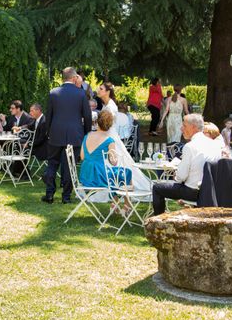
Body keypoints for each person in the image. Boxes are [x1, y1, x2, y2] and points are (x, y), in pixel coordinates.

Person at [152, 114, 222, 213]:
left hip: (193, 191)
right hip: (211, 190)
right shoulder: (215, 145)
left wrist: (176, 175)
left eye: (184, 126)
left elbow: (181, 177)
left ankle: (158, 223)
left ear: (193, 127)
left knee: (157, 188)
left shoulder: (190, 146)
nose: (181, 128)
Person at [43, 67, 92, 204]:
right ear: (74, 77)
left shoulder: (54, 92)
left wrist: (48, 132)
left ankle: (49, 194)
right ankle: (66, 196)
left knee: (52, 163)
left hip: (55, 133)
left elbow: (49, 115)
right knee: (69, 165)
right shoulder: (80, 93)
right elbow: (87, 116)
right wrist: (86, 132)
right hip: (74, 133)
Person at [97, 82, 151, 191]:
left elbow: (107, 124)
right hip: (106, 135)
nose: (98, 90)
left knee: (115, 159)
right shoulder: (106, 105)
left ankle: (120, 183)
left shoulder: (111, 106)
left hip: (109, 136)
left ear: (107, 92)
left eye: (101, 89)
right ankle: (110, 182)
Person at [79, 110, 131, 213]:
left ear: (97, 122)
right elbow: (114, 162)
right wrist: (113, 159)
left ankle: (115, 203)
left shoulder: (87, 136)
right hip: (98, 176)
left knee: (115, 175)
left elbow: (82, 157)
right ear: (110, 125)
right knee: (126, 172)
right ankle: (126, 205)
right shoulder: (109, 140)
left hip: (85, 175)